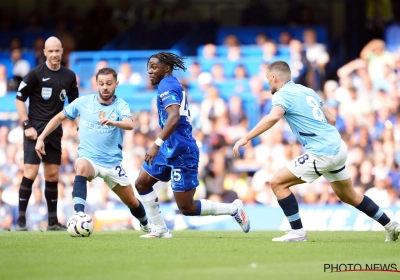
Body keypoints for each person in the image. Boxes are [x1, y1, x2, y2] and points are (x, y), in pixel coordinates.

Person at [233, 60, 400, 242]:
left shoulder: (281, 95)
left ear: (273, 78)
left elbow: (273, 117)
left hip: (322, 152)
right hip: (338, 146)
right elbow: (332, 119)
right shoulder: (307, 91)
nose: (267, 83)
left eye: (267, 79)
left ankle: (297, 232)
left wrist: (246, 138)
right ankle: (390, 225)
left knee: (277, 183)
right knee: (349, 195)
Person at [135, 52, 250, 238]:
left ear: (167, 69)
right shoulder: (170, 84)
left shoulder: (167, 84)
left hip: (181, 150)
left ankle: (233, 209)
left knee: (187, 207)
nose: (150, 71)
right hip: (169, 147)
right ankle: (161, 229)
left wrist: (156, 144)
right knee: (142, 183)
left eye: (154, 67)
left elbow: (173, 117)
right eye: (149, 67)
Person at [35, 67, 151, 234]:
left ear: (116, 84)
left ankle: (146, 224)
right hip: (89, 159)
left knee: (132, 201)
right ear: (96, 84)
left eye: (109, 83)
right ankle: (79, 214)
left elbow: (130, 124)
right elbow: (59, 117)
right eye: (101, 83)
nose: (105, 87)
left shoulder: (121, 105)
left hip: (112, 165)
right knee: (81, 166)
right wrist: (41, 137)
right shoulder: (83, 102)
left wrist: (113, 122)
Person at [14, 36, 79, 231]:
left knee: (52, 176)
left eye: (57, 51)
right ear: (44, 53)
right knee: (31, 173)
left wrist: (79, 127)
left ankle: (52, 222)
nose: (54, 55)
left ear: (62, 51)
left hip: (55, 130)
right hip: (34, 130)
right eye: (50, 51)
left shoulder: (69, 76)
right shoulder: (35, 74)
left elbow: (74, 105)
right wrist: (27, 125)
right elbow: (19, 99)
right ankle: (21, 221)